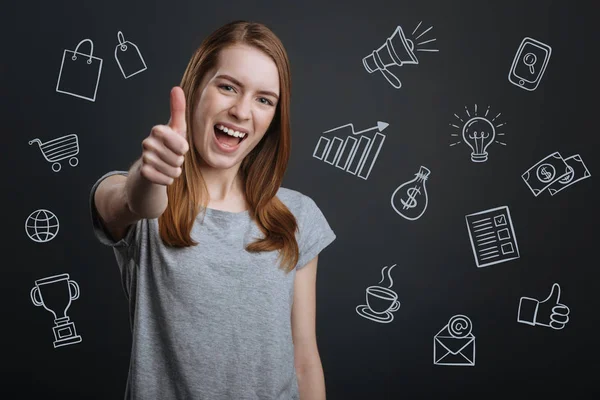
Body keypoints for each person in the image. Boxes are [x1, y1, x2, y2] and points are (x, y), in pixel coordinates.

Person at [89, 20, 336, 400]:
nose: (241, 111)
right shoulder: (144, 207)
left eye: (263, 99)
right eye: (227, 87)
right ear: (195, 89)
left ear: (273, 118)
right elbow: (127, 201)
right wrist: (150, 177)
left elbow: (304, 360)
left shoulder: (298, 215)